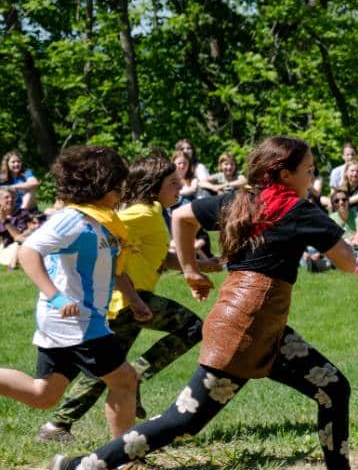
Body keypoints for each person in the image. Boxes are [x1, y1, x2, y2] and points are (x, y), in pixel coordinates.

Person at [46, 136, 358, 470]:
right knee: (182, 421)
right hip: (245, 331)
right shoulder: (298, 209)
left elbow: (182, 217)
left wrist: (192, 268)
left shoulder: (237, 200)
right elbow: (348, 263)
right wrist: (333, 234)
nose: (312, 177)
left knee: (332, 387)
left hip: (261, 327)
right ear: (284, 174)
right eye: (309, 171)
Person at [36, 152, 212, 445]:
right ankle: (137, 377)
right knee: (192, 328)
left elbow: (160, 258)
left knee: (107, 372)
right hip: (127, 300)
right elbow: (104, 235)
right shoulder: (139, 214)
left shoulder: (155, 213)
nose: (179, 187)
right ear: (153, 185)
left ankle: (58, 424)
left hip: (131, 300)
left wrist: (201, 265)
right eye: (172, 182)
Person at [1, 147, 143, 443]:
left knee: (44, 395)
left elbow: (114, 268)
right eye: (118, 183)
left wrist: (134, 299)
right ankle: (123, 460)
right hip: (75, 320)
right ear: (100, 184)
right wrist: (55, 297)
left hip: (77, 319)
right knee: (125, 381)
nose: (122, 190)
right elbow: (28, 251)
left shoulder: (102, 221)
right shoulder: (72, 220)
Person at [0, 187, 45, 269]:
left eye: (13, 197)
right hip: (4, 248)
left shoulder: (23, 214)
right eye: (7, 197)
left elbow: (20, 237)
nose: (11, 200)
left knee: (20, 243)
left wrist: (4, 220)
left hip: (18, 248)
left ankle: (13, 263)